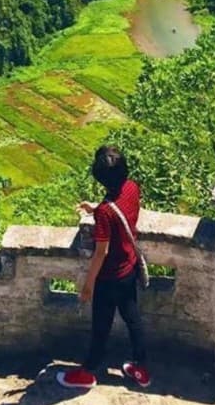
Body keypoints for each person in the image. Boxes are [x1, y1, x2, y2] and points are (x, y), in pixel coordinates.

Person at [56, 146, 150, 390]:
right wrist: (97, 207)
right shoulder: (132, 187)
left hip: (109, 278)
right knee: (133, 319)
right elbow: (122, 207)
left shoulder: (105, 213)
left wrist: (88, 285)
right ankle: (140, 367)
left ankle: (87, 373)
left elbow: (101, 252)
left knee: (101, 327)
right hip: (129, 269)